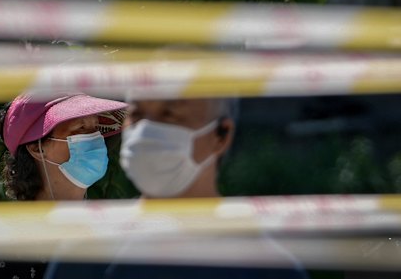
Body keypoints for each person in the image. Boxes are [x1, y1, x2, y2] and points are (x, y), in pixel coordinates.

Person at [45, 97, 308, 279]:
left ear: (221, 135)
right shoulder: (86, 256)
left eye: (169, 114)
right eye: (137, 114)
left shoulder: (268, 269)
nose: (146, 130)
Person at [0, 92, 127, 279]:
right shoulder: (8, 248)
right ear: (37, 148)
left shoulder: (112, 231)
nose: (95, 138)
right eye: (81, 128)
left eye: (96, 128)